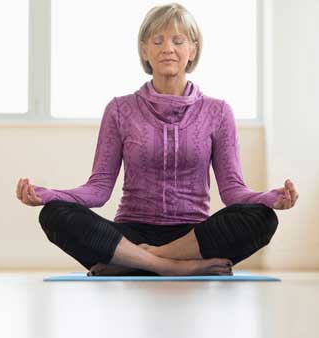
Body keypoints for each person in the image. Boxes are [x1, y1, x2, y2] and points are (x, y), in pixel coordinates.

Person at [15, 3, 299, 276]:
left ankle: (138, 262)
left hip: (193, 236)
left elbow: (233, 192)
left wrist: (268, 198)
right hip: (130, 231)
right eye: (158, 41)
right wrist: (49, 195)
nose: (168, 49)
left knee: (263, 219)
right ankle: (174, 267)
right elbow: (98, 189)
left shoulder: (218, 111)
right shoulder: (119, 109)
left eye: (178, 40)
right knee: (54, 215)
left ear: (193, 49)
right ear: (144, 50)